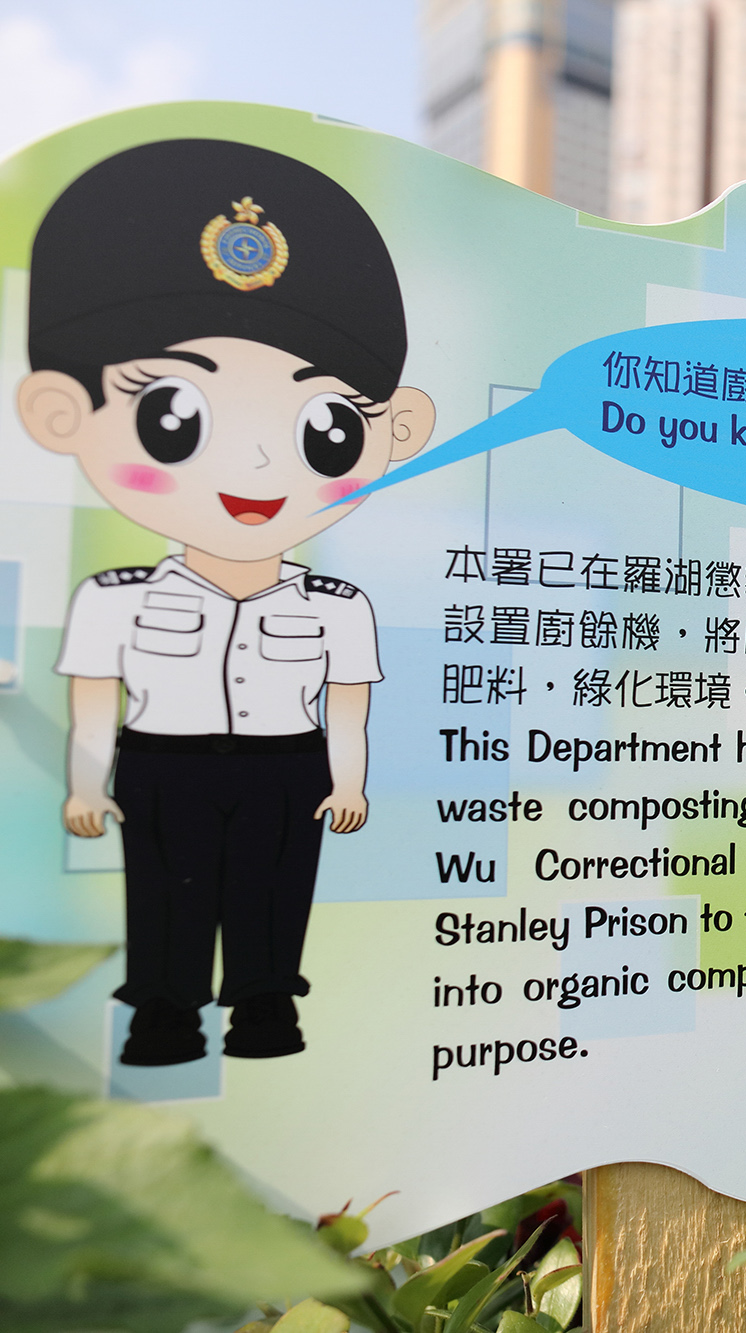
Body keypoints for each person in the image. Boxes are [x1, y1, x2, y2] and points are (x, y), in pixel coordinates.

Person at [16, 139, 436, 1066]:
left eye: (326, 429)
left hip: (287, 766)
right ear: (58, 410)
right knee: (162, 891)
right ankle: (164, 1010)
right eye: (174, 416)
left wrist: (351, 778)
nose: (254, 469)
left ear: (396, 432)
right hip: (163, 762)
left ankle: (264, 1005)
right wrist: (88, 783)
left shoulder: (337, 607)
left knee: (276, 891)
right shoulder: (117, 601)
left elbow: (349, 706)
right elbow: (97, 703)